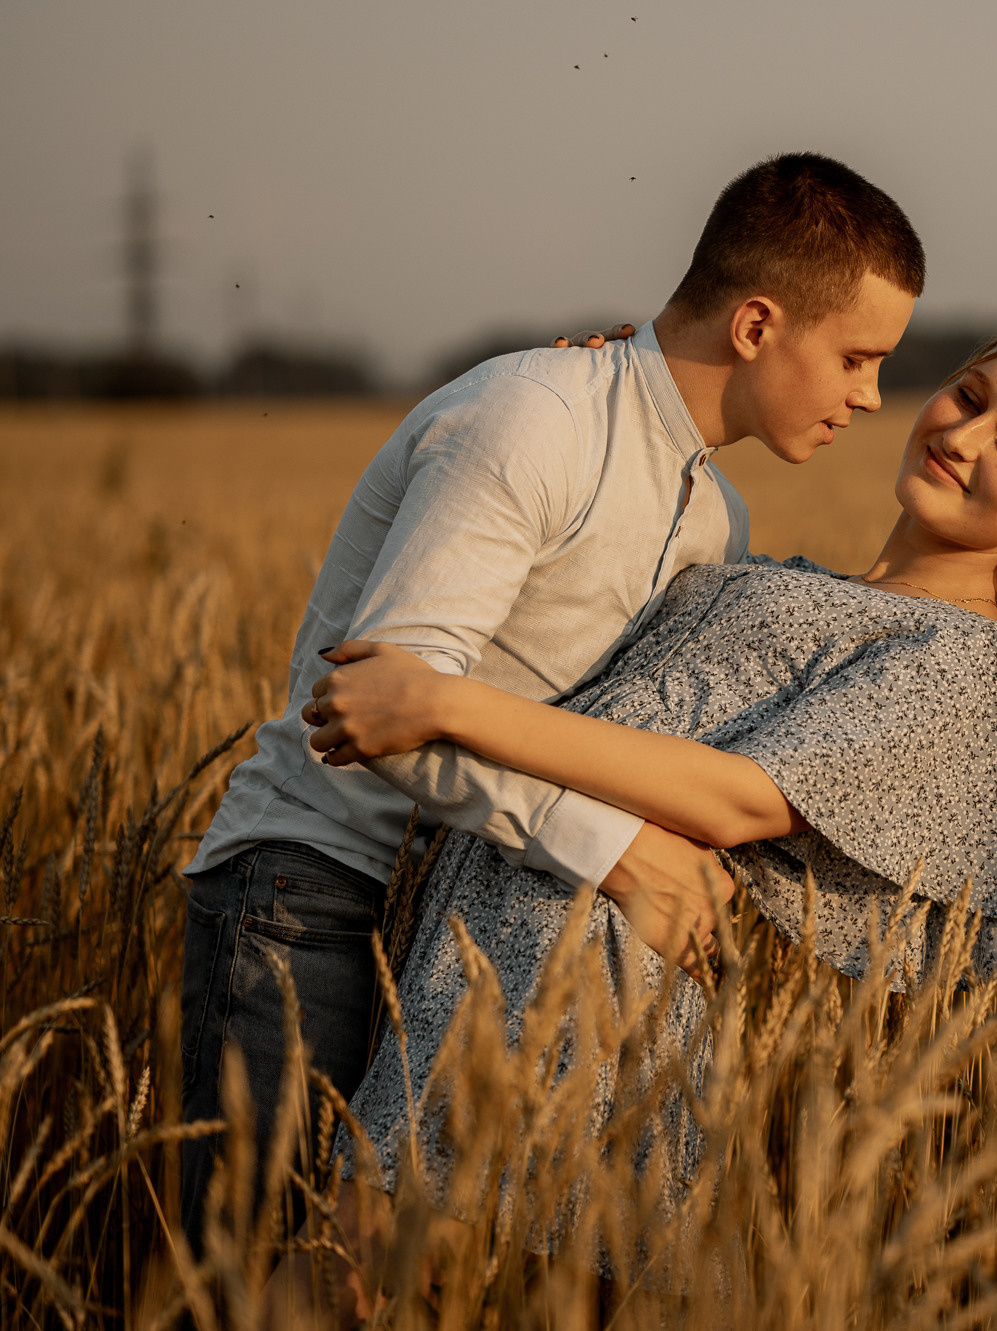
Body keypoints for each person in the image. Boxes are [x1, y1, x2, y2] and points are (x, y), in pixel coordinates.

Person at [301, 314, 997, 1270]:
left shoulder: (958, 664)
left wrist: (444, 703)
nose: (963, 436)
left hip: (576, 996)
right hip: (473, 934)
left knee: (342, 1284)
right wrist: (599, 409)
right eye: (971, 396)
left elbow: (733, 799)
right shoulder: (787, 577)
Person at [176, 152, 925, 1240]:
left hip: (476, 926)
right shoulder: (534, 418)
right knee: (257, 1284)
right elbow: (369, 713)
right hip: (315, 894)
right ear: (758, 326)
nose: (869, 395)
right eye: (857, 357)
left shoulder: (716, 517)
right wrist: (611, 848)